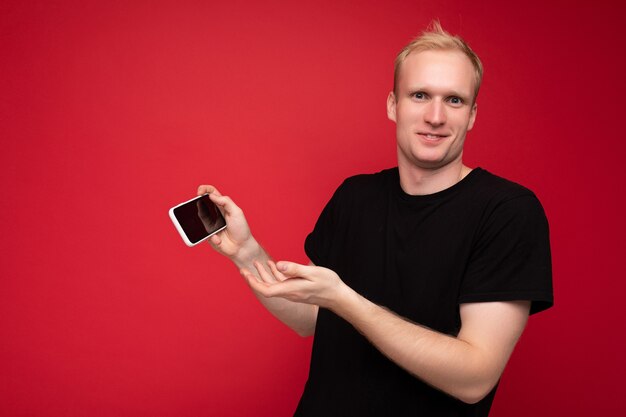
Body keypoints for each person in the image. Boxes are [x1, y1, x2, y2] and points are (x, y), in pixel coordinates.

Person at [197, 21, 553, 417]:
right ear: (392, 105)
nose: (435, 116)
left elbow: (474, 378)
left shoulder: (507, 212)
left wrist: (345, 300)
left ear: (471, 115)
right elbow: (310, 318)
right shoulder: (355, 196)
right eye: (419, 95)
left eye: (454, 100)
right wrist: (246, 252)